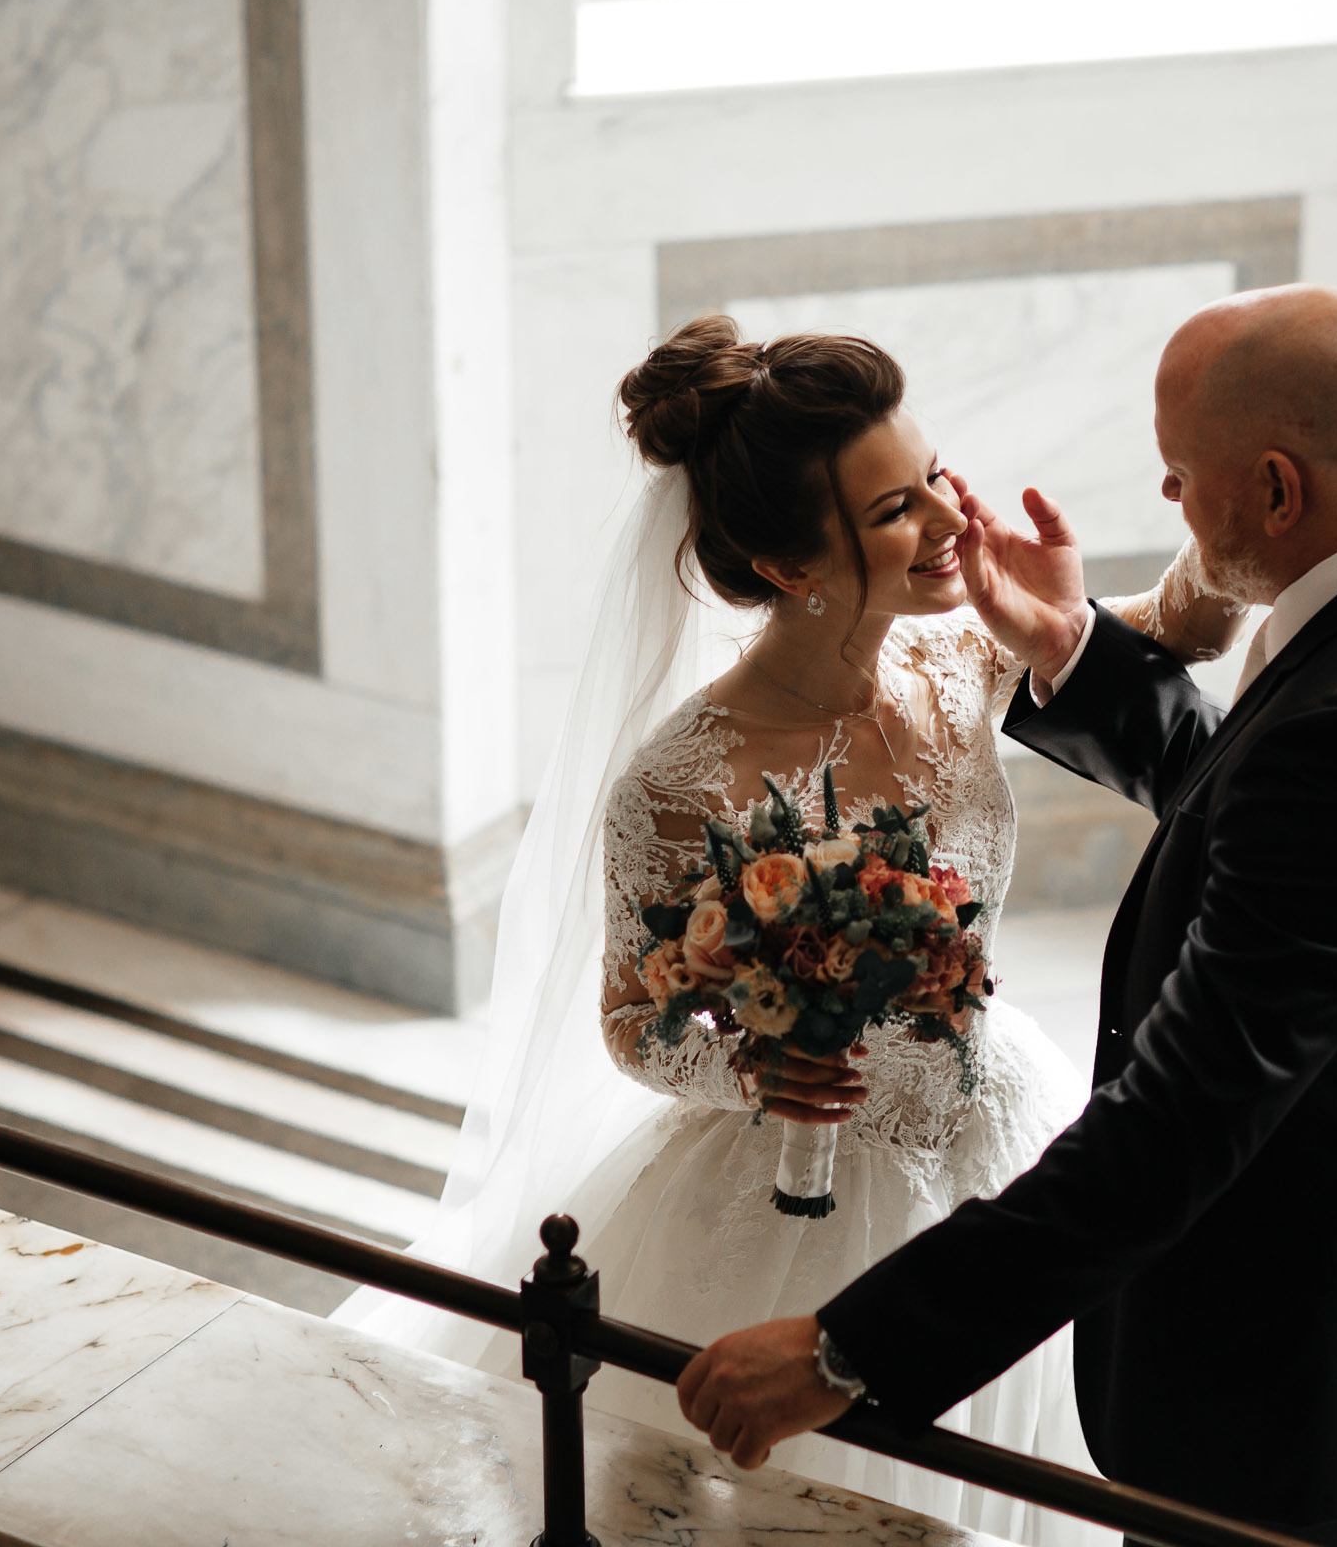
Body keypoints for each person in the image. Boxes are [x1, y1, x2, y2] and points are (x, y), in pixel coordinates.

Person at [675, 285, 1337, 1547]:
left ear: (1278, 491)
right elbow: (1291, 837)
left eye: (1185, 476)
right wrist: (1073, 648)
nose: (1170, 501)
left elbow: (1178, 1124)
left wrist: (844, 1349)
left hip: (1325, 1383)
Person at [336, 316, 1246, 1546]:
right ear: (784, 566)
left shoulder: (960, 651)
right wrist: (758, 1064)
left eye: (933, 479)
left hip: (999, 1136)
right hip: (802, 1205)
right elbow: (633, 1024)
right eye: (893, 514)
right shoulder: (680, 782)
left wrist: (1077, 594)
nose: (944, 523)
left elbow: (1184, 629)